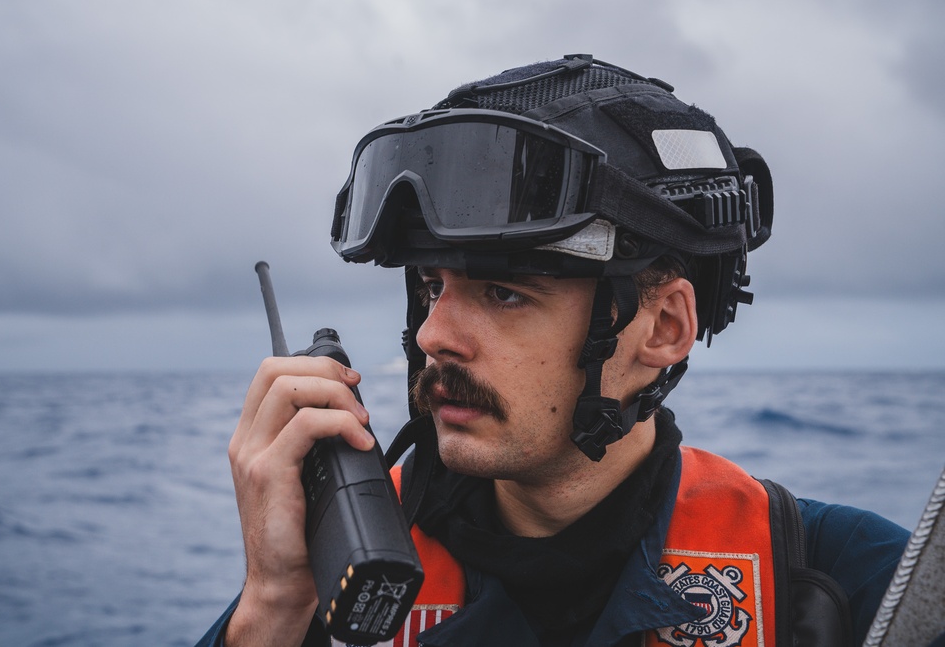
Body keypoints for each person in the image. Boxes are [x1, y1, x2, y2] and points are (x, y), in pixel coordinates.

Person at [197, 55, 913, 647]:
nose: (432, 334)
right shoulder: (327, 591)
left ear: (662, 328)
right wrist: (270, 604)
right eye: (430, 287)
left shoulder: (841, 582)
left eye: (504, 293)